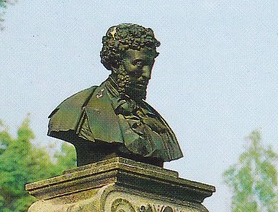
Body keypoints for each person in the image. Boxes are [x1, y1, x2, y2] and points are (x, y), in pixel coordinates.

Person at [48, 23, 183, 167]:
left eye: (150, 65)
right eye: (138, 64)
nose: (147, 75)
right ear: (115, 64)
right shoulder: (76, 110)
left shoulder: (155, 120)